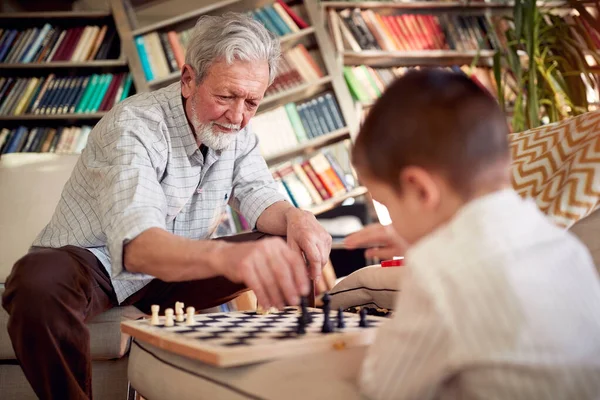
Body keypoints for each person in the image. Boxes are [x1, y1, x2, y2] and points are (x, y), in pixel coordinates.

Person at [2, 13, 331, 400]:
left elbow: (259, 193)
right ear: (189, 79)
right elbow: (139, 247)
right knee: (36, 280)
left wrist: (297, 217)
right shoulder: (135, 125)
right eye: (225, 96)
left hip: (174, 276)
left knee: (281, 238)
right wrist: (226, 260)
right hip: (97, 266)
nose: (238, 116)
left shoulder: (239, 131)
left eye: (252, 102)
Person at [349, 70, 600, 399]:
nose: (390, 220)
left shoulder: (436, 271)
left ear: (419, 190)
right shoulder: (562, 245)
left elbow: (385, 386)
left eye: (385, 203)